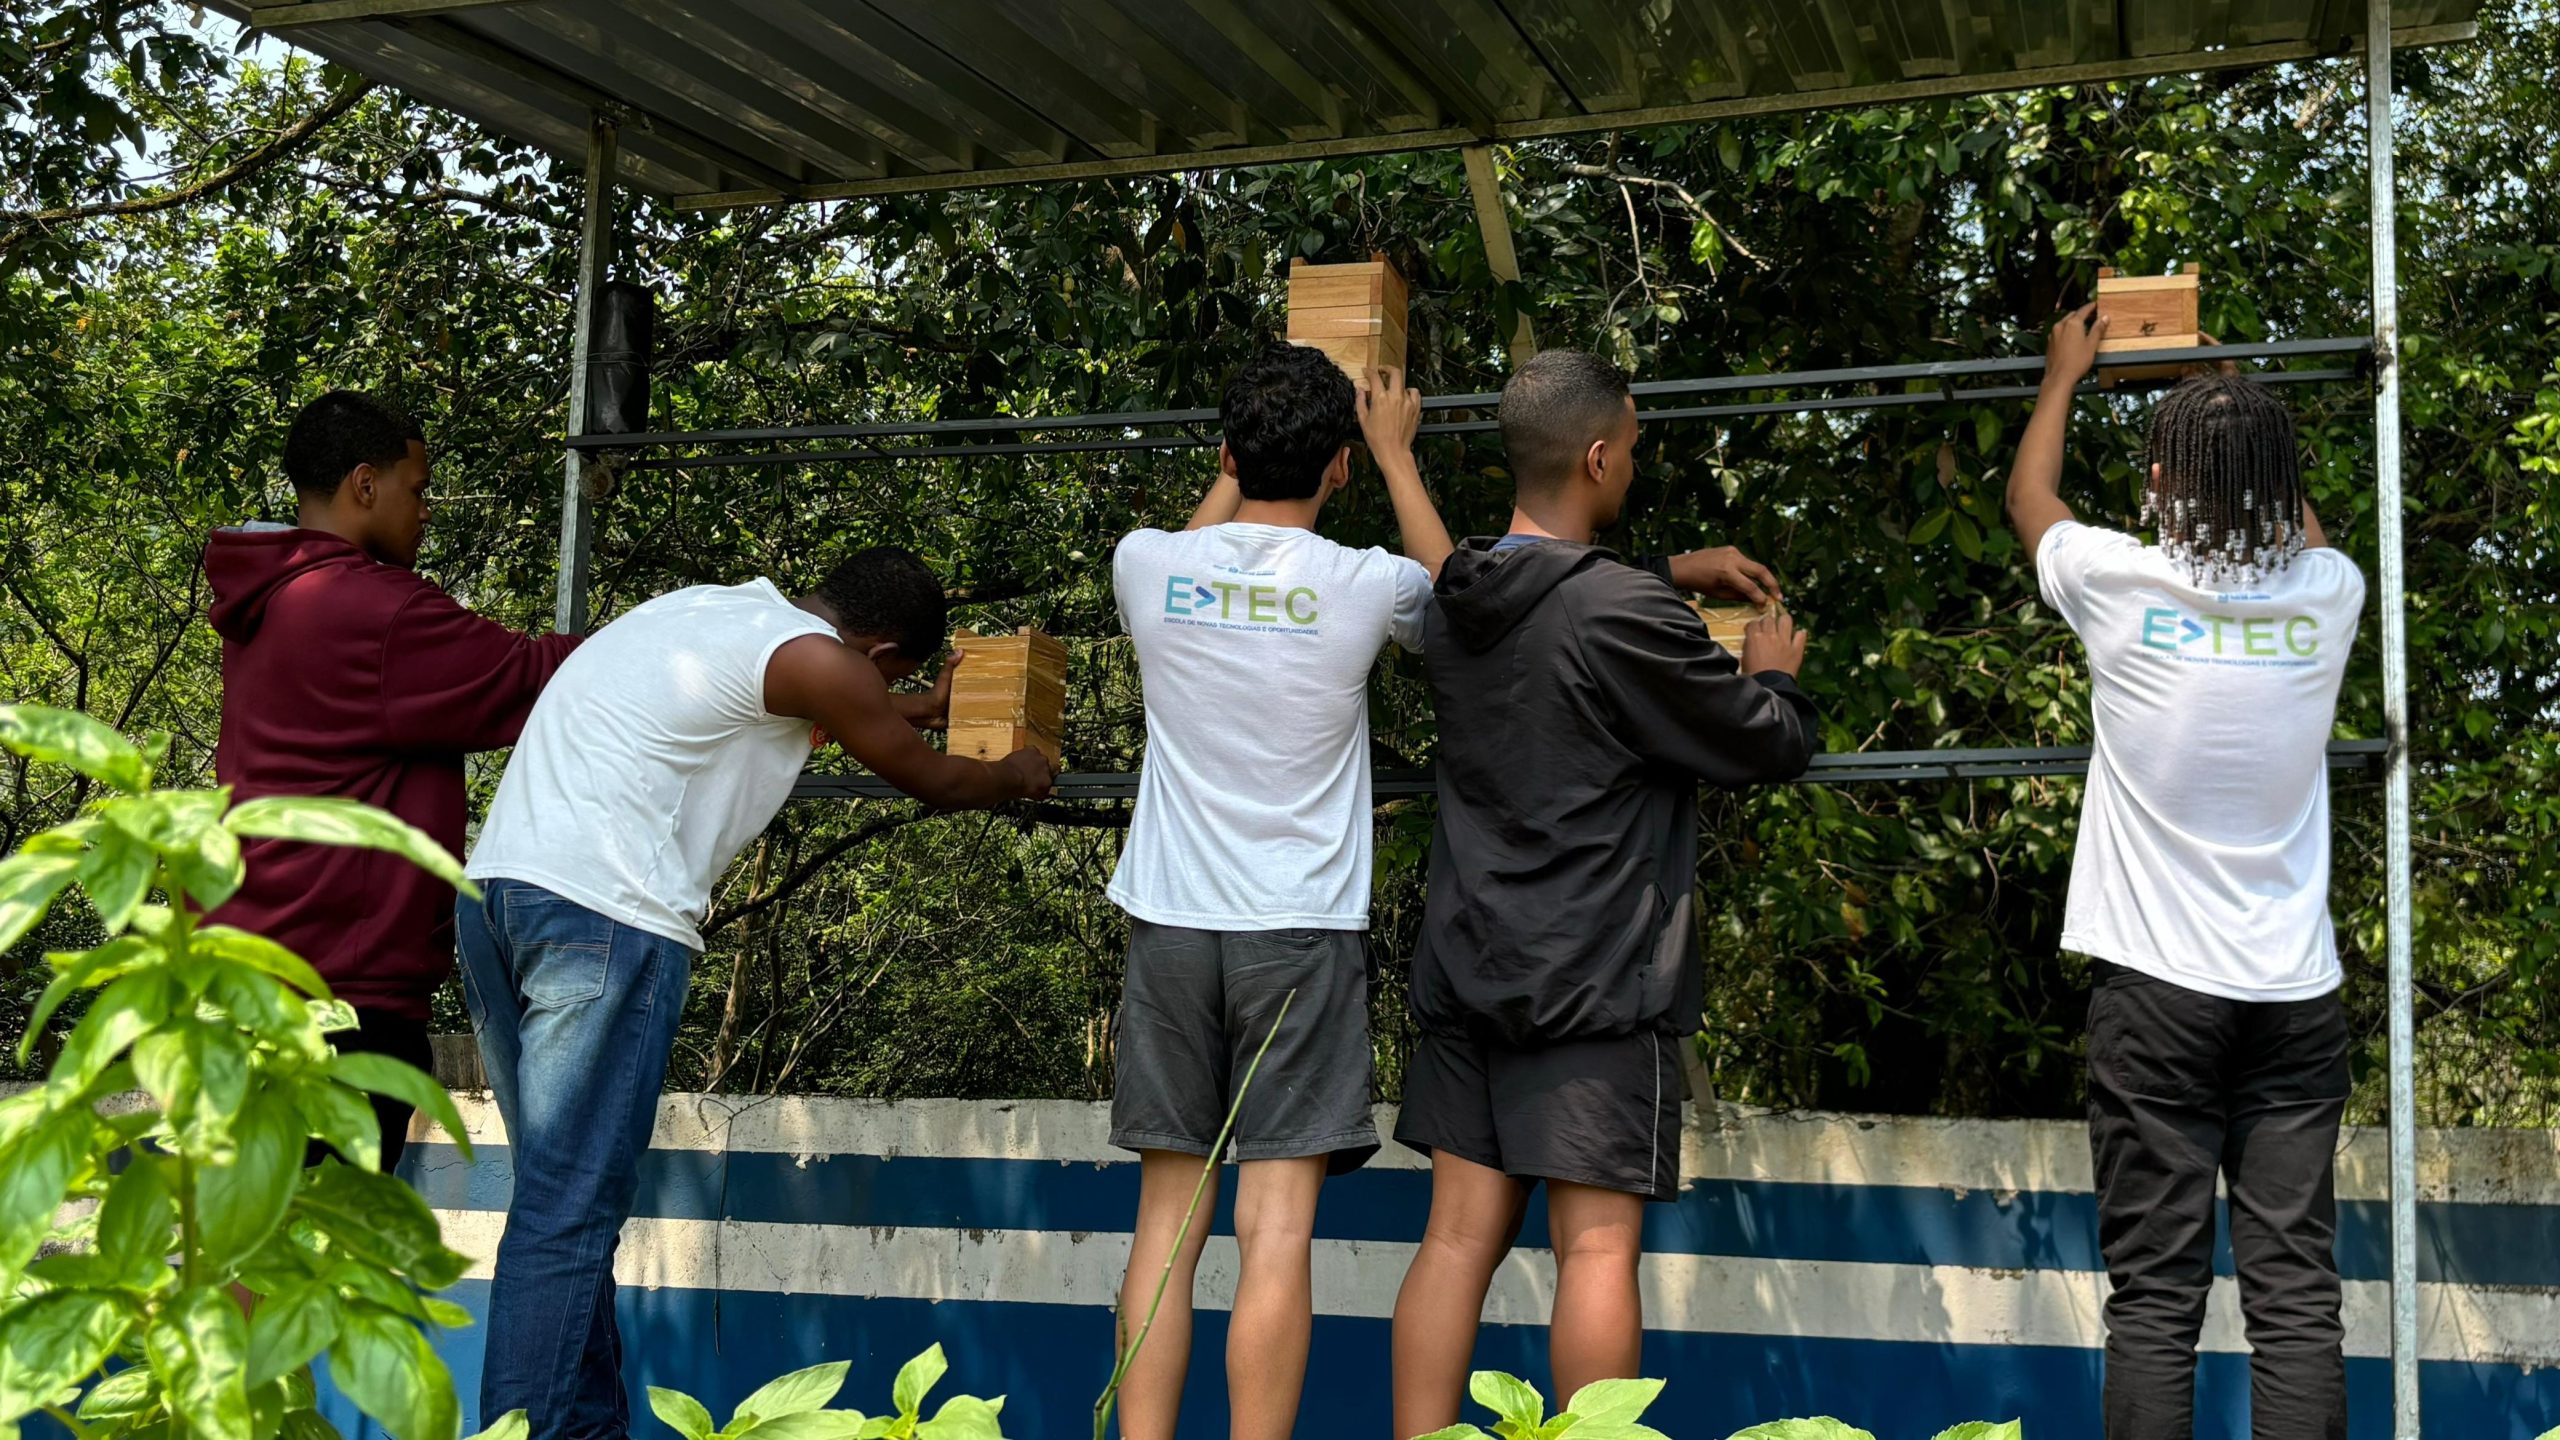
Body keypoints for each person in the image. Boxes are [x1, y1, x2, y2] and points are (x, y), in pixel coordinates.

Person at [455, 547, 1055, 1439]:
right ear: (880, 651)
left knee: (560, 1205)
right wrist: (1017, 772)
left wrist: (911, 706)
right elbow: (934, 778)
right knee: (569, 1215)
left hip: (498, 898)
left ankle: (581, 1429)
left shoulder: (718, 613)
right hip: (608, 916)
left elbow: (812, 700)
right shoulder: (819, 661)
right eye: (887, 678)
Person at [1389, 349, 1820, 1437]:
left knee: (1451, 1243)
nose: (1631, 461)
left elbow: (1531, 599)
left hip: (1467, 968)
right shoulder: (1620, 611)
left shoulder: (1452, 605)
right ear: (1594, 455)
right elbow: (1760, 746)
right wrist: (1771, 671)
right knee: (1594, 1248)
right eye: (1627, 445)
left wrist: (1666, 571)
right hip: (1592, 982)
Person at [2006, 306, 2363, 1440]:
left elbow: (2031, 505)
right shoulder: (2330, 595)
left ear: (2159, 485)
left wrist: (2065, 375)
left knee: (2154, 1302)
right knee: (2296, 1297)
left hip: (2156, 997)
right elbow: (2294, 527)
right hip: (2294, 999)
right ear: (2280, 485)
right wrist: (2229, 387)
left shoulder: (2120, 583)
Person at [1100, 346, 1452, 1440]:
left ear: (1222, 453)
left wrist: (1238, 465)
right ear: (1340, 469)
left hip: (1169, 924)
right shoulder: (1369, 585)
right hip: (1296, 934)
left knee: (1165, 1225)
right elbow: (1480, 604)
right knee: (1277, 1229)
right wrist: (1398, 460)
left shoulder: (1147, 565)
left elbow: (1206, 544)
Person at [204, 389, 578, 1172]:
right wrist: (681, 640)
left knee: (254, 1234)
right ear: (365, 485)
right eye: (419, 488)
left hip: (257, 970)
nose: (428, 509)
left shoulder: (273, 596)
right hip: (339, 993)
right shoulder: (370, 609)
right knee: (313, 1253)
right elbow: (532, 677)